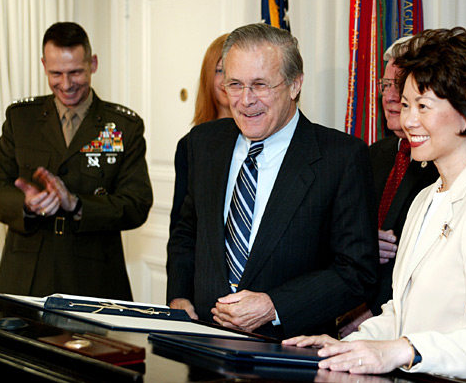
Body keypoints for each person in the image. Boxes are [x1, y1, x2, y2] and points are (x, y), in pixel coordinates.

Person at [284, 27, 466, 383]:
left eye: (422, 106)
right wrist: (346, 347)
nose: (408, 121)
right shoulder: (426, 197)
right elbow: (402, 315)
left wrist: (403, 349)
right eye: (405, 105)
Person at [167, 22, 378, 339]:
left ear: (295, 84)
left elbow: (356, 272)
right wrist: (179, 296)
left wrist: (274, 305)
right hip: (203, 344)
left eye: (260, 85)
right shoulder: (203, 143)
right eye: (235, 84)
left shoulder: (341, 157)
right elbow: (187, 231)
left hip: (289, 351)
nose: (245, 100)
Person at [0, 22, 153, 301]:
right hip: (26, 276)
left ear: (93, 63)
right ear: (44, 65)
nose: (66, 85)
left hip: (93, 279)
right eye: (56, 73)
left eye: (76, 72)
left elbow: (136, 204)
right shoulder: (21, 119)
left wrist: (77, 205)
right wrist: (26, 205)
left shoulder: (122, 126)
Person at [338, 38, 439, 337]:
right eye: (385, 85)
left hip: (412, 329)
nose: (391, 97)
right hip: (350, 313)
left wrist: (373, 317)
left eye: (403, 87)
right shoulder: (370, 155)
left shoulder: (445, 162)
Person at [169, 33, 230, 233]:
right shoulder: (190, 145)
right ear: (207, 76)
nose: (226, 81)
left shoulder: (262, 138)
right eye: (219, 71)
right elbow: (181, 223)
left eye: (233, 71)